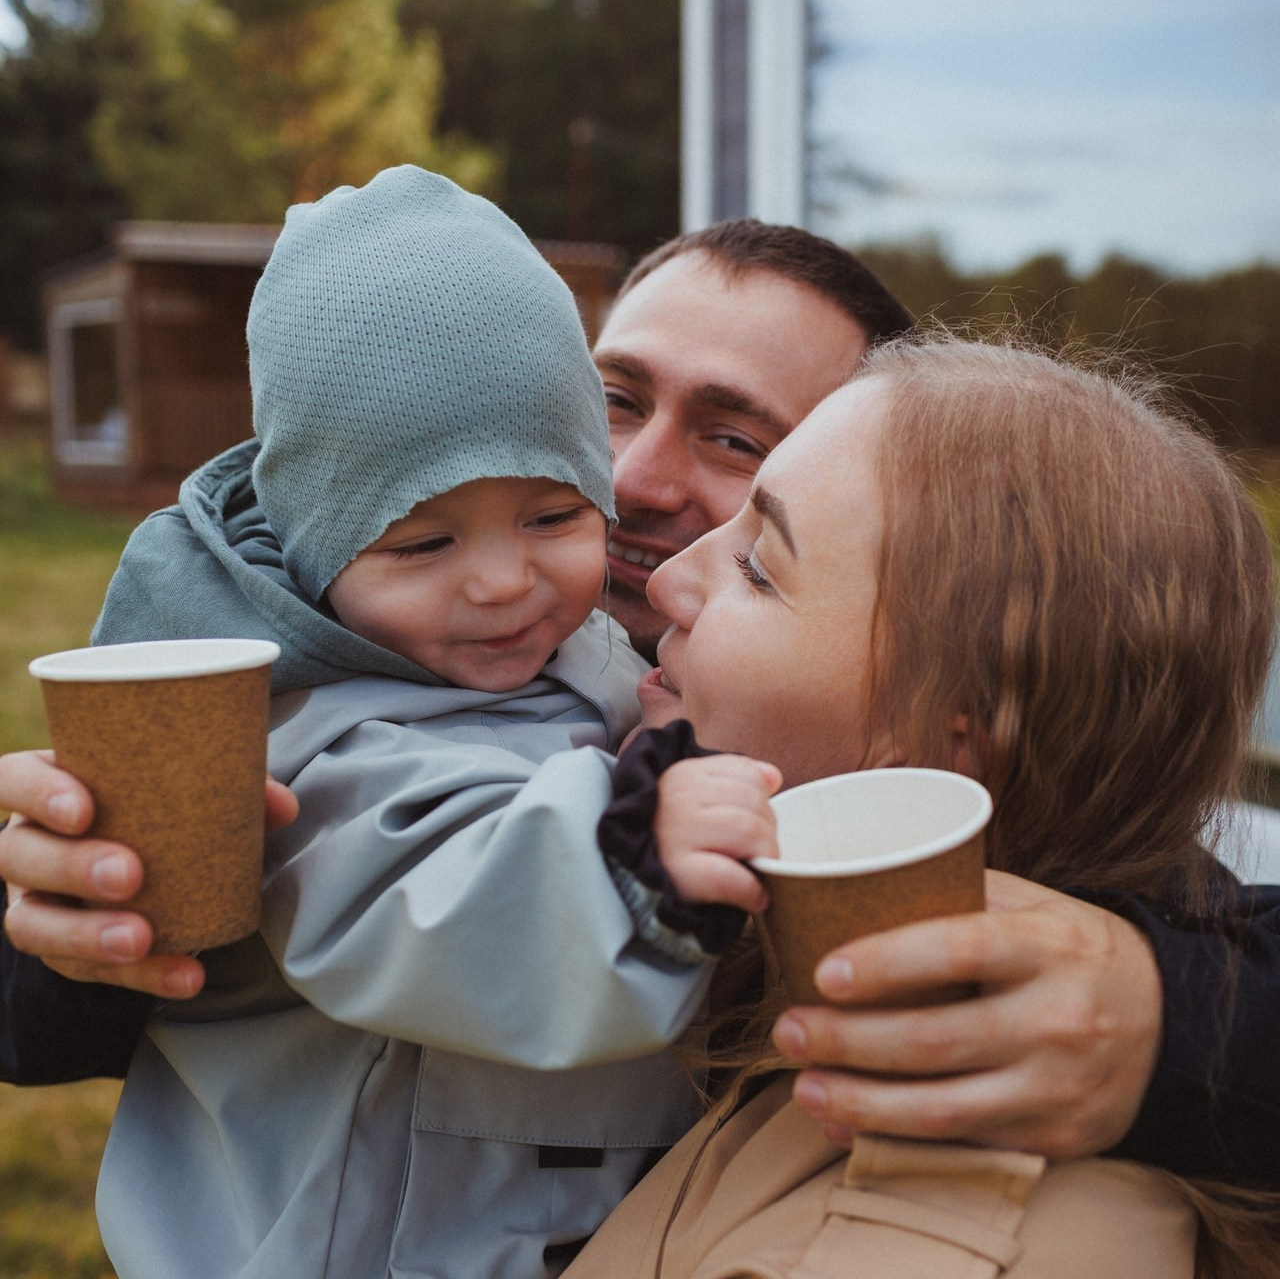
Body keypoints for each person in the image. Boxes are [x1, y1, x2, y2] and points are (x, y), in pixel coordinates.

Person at [2, 219, 1279, 1185]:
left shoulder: (977, 832)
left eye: (740, 444)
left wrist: (1170, 1024)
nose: (633, 477)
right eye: (608, 400)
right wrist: (70, 938)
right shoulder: (366, 691)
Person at [76, 164, 749, 1279]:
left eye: (551, 513)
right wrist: (635, 851)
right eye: (420, 543)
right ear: (312, 550)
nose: (501, 582)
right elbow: (430, 891)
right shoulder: (302, 735)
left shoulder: (570, 647)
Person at [568, 337, 1280, 1276]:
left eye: (757, 568)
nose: (664, 581)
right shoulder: (745, 967)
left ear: (956, 734)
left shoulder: (949, 1233)